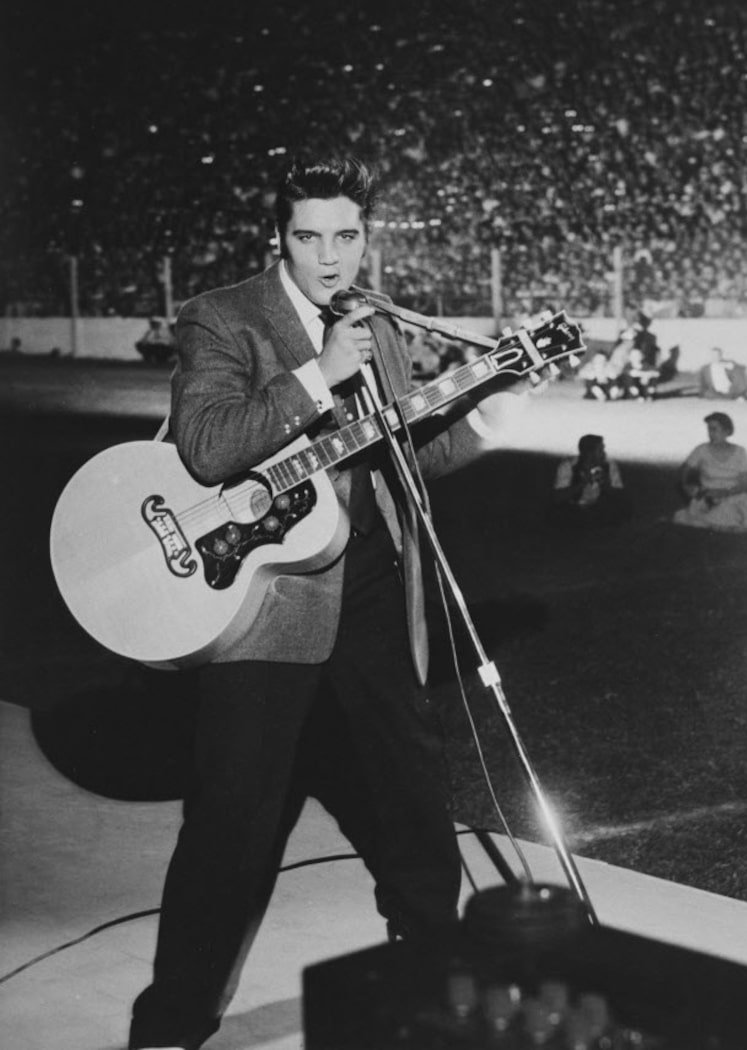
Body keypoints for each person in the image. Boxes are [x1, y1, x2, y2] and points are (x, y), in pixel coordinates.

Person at [127, 155, 521, 1050]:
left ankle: (429, 980)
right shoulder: (224, 315)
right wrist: (318, 373)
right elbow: (209, 443)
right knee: (233, 825)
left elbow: (405, 452)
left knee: (415, 801)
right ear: (280, 238)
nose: (332, 258)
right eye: (310, 237)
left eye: (348, 236)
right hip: (268, 608)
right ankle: (170, 1023)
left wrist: (495, 403)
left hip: (374, 591)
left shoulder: (375, 320)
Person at [673, 412, 747, 532]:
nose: (710, 434)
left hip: (733, 495)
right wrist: (686, 486)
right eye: (709, 429)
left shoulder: (740, 452)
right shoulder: (701, 450)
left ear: (727, 431)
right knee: (706, 516)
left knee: (740, 511)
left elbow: (744, 483)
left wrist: (725, 493)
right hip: (708, 497)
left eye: (714, 429)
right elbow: (684, 470)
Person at [552, 434, 631, 529]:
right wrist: (581, 484)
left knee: (620, 507)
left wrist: (605, 485)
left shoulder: (609, 465)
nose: (604, 453)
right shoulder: (568, 466)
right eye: (600, 450)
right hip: (573, 508)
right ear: (589, 453)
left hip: (598, 508)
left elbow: (620, 494)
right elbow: (557, 498)